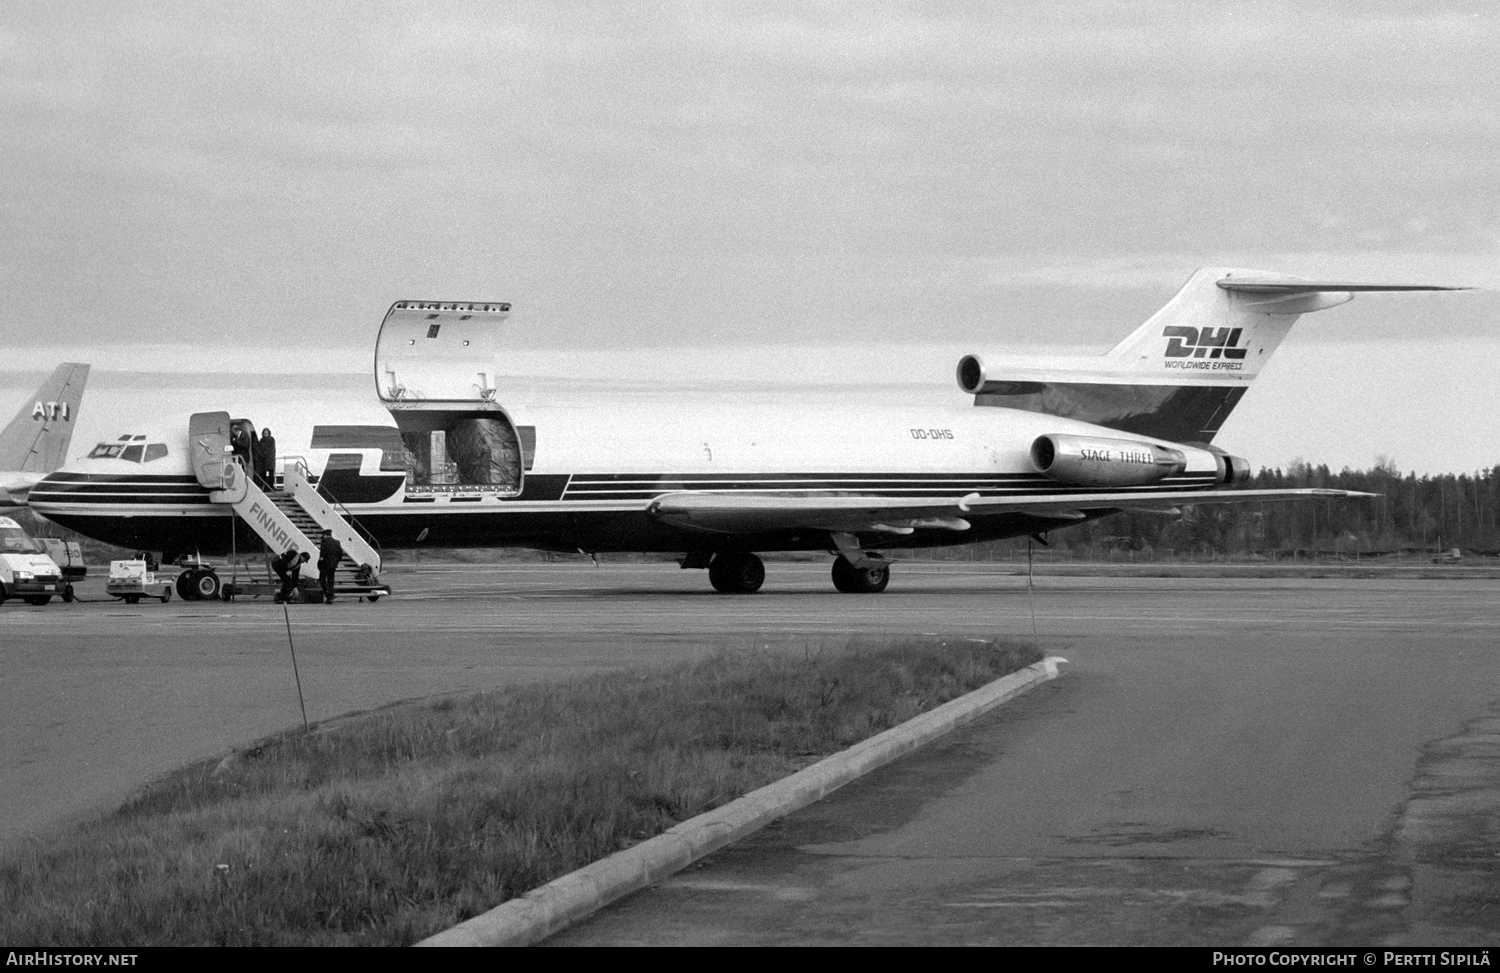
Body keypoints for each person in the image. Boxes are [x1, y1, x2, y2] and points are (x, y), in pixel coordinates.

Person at [317, 529, 344, 604]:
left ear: (325, 535)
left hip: (325, 565)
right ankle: (331, 595)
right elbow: (340, 554)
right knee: (331, 580)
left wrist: (319, 563)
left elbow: (322, 555)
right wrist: (336, 562)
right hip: (333, 565)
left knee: (322, 580)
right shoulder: (337, 542)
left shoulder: (324, 542)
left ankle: (328, 597)